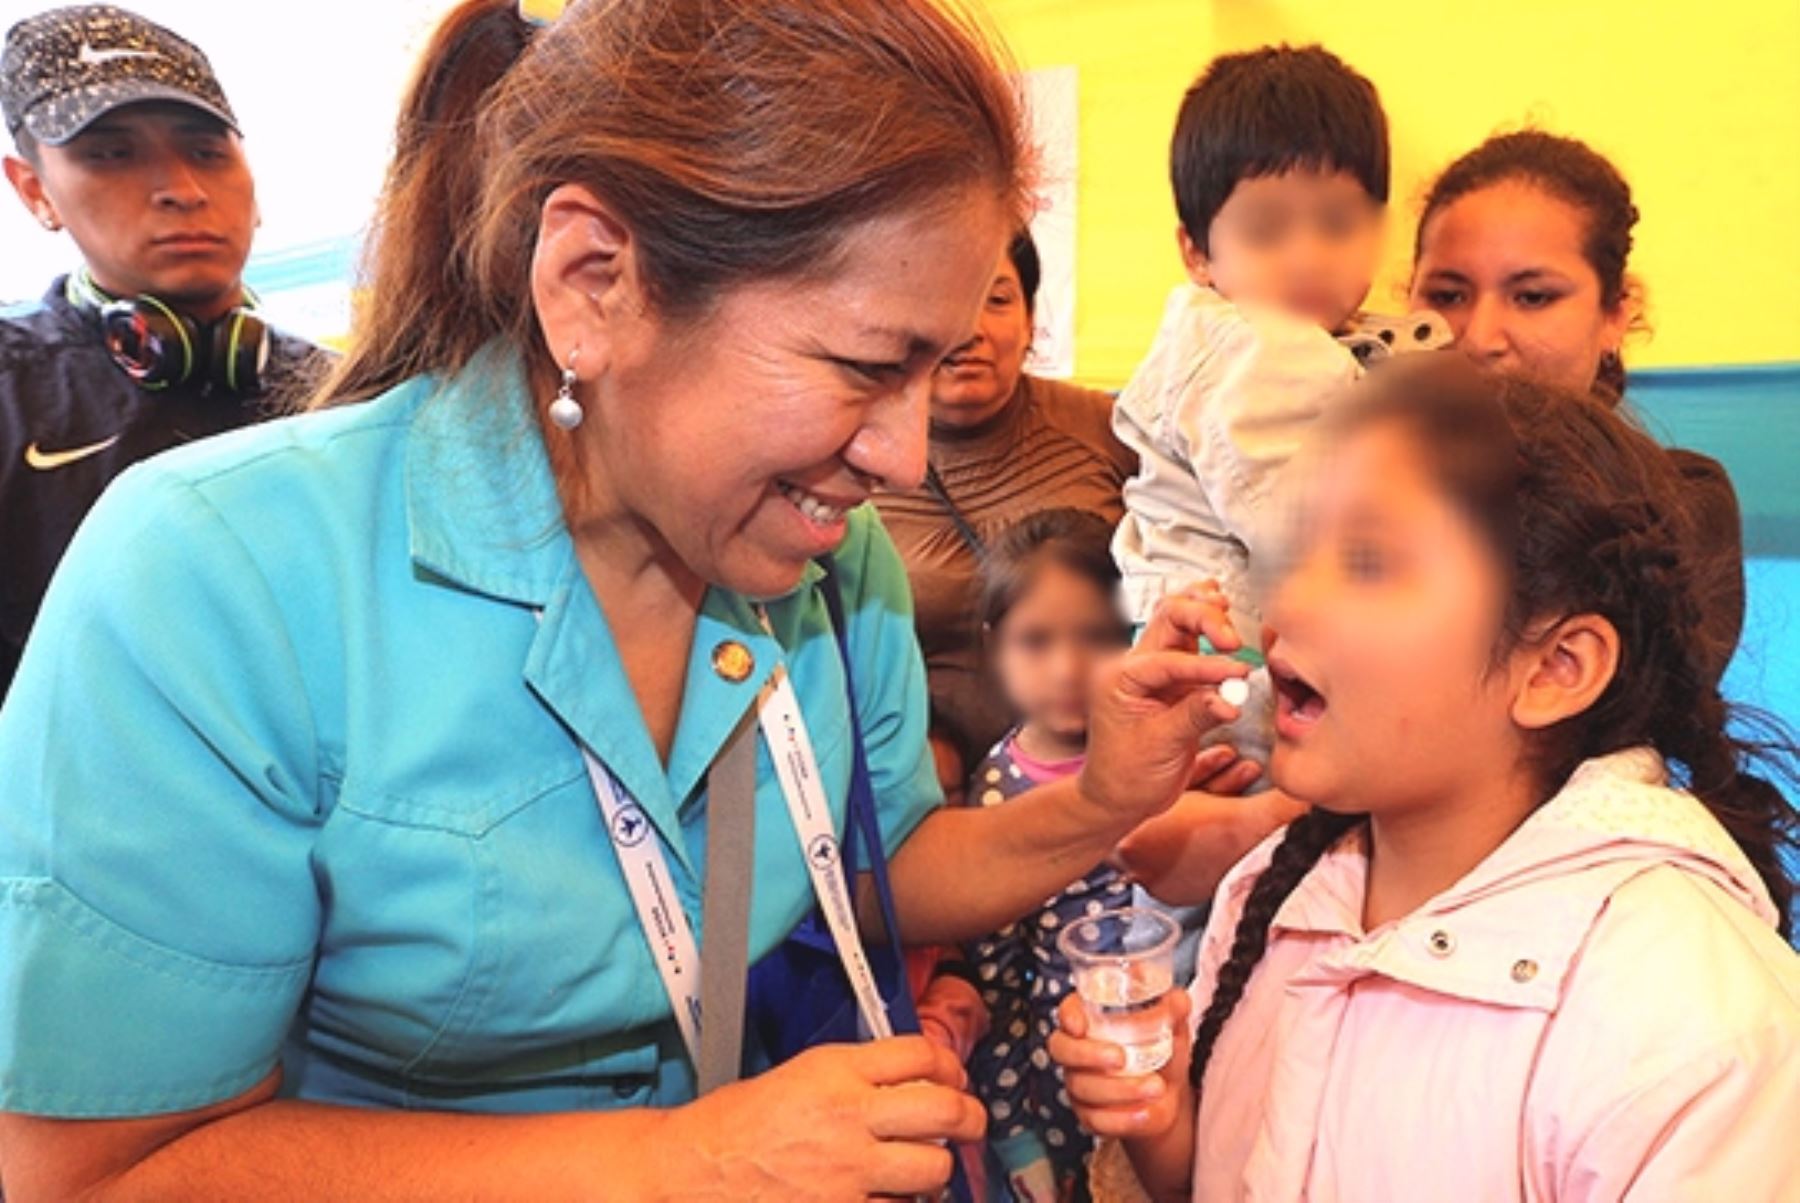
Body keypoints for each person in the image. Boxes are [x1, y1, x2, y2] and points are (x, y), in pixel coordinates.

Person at [0, 2, 1254, 1199]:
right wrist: (683, 1167)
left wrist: (1101, 802)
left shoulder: (827, 560)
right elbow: (98, 1170)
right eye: (867, 367)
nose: (906, 460)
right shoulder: (218, 580)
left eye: (932, 369)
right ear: (595, 282)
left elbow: (881, 868)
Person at [1053, 357, 1800, 1201]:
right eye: (1297, 553)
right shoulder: (1271, 894)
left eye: (1368, 561)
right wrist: (1160, 1117)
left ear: (1556, 666)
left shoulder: (1697, 1027)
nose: (1288, 603)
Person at [1111, 43, 1448, 771]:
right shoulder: (1263, 347)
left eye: (1336, 223)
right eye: (1267, 231)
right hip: (1236, 666)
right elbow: (1305, 530)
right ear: (1198, 253)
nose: (1306, 256)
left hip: (1216, 654)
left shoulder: (1298, 340)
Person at [0, 3, 328, 696]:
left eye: (207, 151)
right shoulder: (11, 394)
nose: (181, 189)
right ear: (35, 191)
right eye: (113, 154)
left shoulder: (344, 391)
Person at [1409, 129, 1745, 683]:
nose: (1480, 337)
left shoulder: (1680, 503)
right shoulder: (1342, 478)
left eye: (1533, 296)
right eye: (1447, 296)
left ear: (1615, 314)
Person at [872, 227, 1134, 777]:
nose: (971, 329)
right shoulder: (857, 455)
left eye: (995, 300)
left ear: (1030, 320)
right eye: (944, 297)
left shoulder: (1112, 429)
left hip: (1101, 773)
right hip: (918, 785)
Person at [961, 508, 1135, 1200]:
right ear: (993, 646)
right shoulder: (998, 796)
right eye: (1036, 641)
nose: (1068, 667)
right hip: (1059, 1103)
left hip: (1160, 1072)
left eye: (1097, 637)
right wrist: (1015, 1133)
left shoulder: (1159, 766)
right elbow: (995, 992)